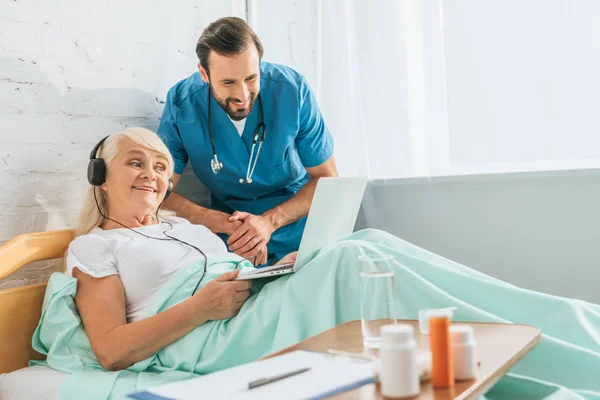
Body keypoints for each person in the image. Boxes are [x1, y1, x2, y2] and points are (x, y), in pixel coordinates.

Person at [17, 127, 599, 400]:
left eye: (162, 165)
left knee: (370, 249)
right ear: (102, 176)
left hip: (245, 301)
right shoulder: (93, 248)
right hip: (209, 333)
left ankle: (568, 333)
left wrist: (281, 267)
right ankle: (562, 356)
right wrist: (199, 306)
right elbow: (112, 349)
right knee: (358, 263)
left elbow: (235, 277)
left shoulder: (183, 225)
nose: (153, 173)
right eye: (136, 162)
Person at [157, 17, 338, 266]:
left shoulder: (292, 90)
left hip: (300, 224)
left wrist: (267, 222)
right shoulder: (182, 103)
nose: (242, 95)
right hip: (232, 234)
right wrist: (221, 223)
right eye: (228, 82)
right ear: (204, 73)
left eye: (251, 78)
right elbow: (158, 191)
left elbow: (327, 178)